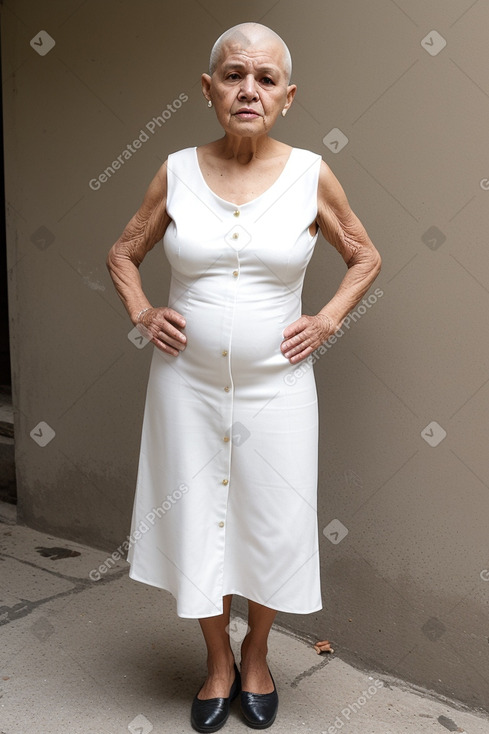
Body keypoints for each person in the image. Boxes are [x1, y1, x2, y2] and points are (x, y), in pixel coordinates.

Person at [106, 21, 381, 733]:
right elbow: (123, 252)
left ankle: (255, 653)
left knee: (269, 521)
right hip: (184, 388)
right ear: (209, 89)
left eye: (264, 79)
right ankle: (216, 662)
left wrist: (324, 321)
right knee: (193, 517)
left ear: (287, 97)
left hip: (277, 391)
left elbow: (364, 255)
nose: (247, 90)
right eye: (233, 75)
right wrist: (142, 311)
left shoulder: (308, 173)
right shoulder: (175, 169)